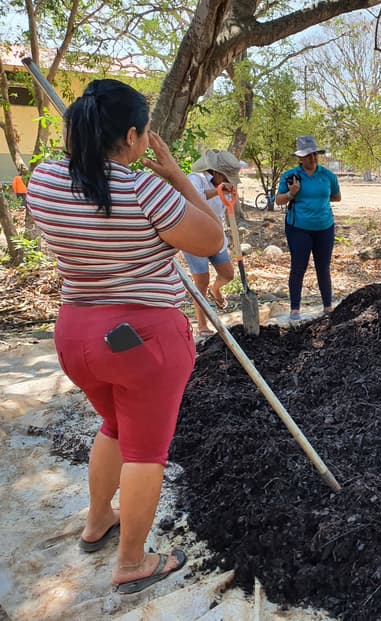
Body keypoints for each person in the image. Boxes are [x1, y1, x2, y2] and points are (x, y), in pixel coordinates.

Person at [26, 79, 223, 593]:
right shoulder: (144, 190)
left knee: (113, 425)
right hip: (144, 339)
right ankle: (132, 562)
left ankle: (98, 522)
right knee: (145, 451)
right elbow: (212, 238)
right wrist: (178, 175)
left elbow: (82, 185)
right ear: (134, 136)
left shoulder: (45, 180)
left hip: (76, 335)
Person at [274, 136, 341, 320]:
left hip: (324, 227)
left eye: (315, 154)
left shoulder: (327, 175)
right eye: (308, 155)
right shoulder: (291, 176)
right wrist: (291, 193)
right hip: (298, 228)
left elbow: (336, 196)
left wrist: (318, 202)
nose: (312, 158)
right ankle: (295, 308)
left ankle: (328, 306)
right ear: (300, 158)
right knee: (298, 266)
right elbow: (278, 200)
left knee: (323, 267)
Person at [181, 149, 241, 336]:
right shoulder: (195, 179)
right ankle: (202, 324)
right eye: (227, 176)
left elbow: (224, 208)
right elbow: (194, 197)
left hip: (215, 234)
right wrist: (217, 191)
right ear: (215, 172)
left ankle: (215, 289)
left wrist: (227, 193)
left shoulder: (226, 185)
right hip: (193, 235)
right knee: (201, 281)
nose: (229, 180)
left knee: (228, 274)